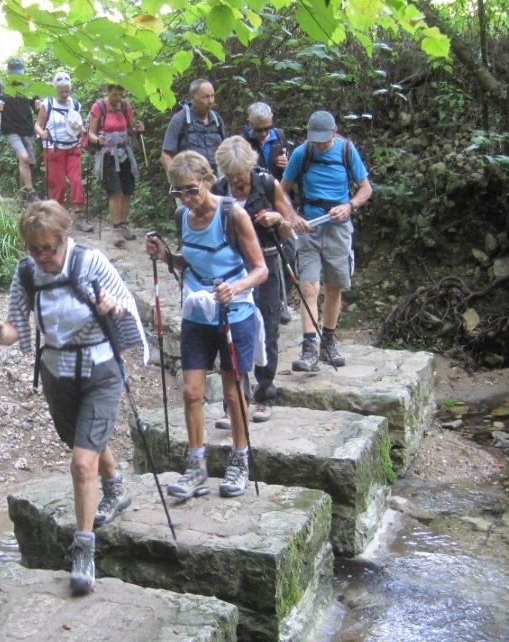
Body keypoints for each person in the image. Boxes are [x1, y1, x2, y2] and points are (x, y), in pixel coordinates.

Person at [0, 201, 146, 595]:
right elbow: (16, 329)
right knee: (81, 442)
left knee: (80, 462)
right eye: (34, 249)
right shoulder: (27, 274)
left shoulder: (90, 263)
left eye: (49, 248)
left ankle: (83, 551)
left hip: (100, 369)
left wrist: (112, 306)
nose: (43, 257)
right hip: (57, 372)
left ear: (64, 238)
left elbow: (127, 310)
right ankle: (115, 488)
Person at [146, 151, 267, 499]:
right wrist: (165, 256)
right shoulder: (183, 216)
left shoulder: (234, 214)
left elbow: (260, 269)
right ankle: (196, 465)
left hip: (235, 312)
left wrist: (236, 287)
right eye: (177, 193)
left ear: (207, 181)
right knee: (191, 391)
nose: (186, 199)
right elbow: (190, 262)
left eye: (190, 191)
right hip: (197, 312)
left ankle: (240, 458)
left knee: (233, 392)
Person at [212, 136, 296, 424]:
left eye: (240, 174)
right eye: (230, 174)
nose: (236, 181)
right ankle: (234, 401)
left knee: (267, 327)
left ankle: (264, 394)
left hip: (267, 263)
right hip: (231, 268)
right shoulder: (218, 190)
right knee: (231, 331)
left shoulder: (267, 184)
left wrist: (277, 219)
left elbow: (290, 228)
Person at [281, 110, 372, 371]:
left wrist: (350, 206)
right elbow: (281, 191)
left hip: (339, 228)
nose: (319, 145)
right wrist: (291, 215)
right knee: (309, 286)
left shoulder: (347, 151)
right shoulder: (302, 153)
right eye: (315, 140)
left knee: (335, 287)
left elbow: (366, 188)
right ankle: (309, 348)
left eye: (323, 140)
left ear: (334, 133)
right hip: (309, 227)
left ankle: (328, 343)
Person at [87, 83, 145, 247]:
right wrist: (98, 139)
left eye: (120, 95)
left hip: (125, 153)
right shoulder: (99, 107)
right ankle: (116, 229)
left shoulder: (125, 106)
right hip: (108, 154)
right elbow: (90, 133)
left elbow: (130, 129)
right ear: (108, 91)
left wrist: (138, 129)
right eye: (114, 95)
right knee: (115, 192)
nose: (117, 99)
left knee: (127, 191)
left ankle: (123, 225)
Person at [35, 72, 92, 232]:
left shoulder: (75, 104)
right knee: (57, 185)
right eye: (61, 90)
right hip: (53, 149)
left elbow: (77, 125)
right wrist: (42, 133)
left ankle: (79, 216)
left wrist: (83, 130)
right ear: (55, 90)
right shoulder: (48, 104)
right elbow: (38, 125)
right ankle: (55, 218)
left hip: (72, 149)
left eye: (67, 90)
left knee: (76, 181)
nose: (64, 93)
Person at [0, 57, 40, 203]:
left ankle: (23, 199)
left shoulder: (28, 86)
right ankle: (31, 193)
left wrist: (38, 105)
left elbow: (36, 106)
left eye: (19, 73)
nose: (17, 76)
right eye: (14, 73)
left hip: (27, 130)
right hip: (11, 130)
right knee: (23, 158)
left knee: (27, 163)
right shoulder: (1, 87)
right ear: (8, 72)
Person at [160, 79, 227, 173]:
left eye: (212, 96)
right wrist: (177, 180)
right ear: (193, 97)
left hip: (217, 178)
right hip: (191, 179)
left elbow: (228, 150)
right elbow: (166, 155)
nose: (210, 101)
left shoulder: (217, 120)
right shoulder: (179, 119)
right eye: (205, 97)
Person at [242, 102, 291, 182]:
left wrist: (286, 164)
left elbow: (292, 170)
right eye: (258, 130)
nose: (263, 133)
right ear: (250, 123)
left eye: (268, 128)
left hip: (278, 188)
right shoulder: (243, 141)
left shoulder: (280, 137)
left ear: (271, 118)